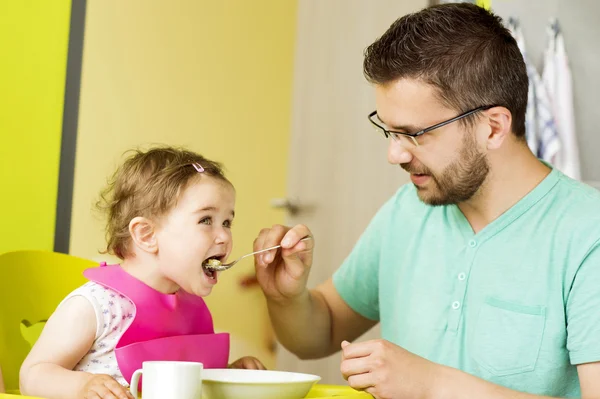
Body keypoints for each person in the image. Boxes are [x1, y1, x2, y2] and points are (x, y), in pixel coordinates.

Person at [253, 3, 600, 399]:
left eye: (415, 134)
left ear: (493, 127)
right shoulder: (408, 210)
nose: (395, 155)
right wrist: (286, 297)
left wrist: (432, 385)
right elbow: (323, 331)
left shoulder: (588, 236)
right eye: (389, 132)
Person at [20, 146, 265, 399]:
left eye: (227, 222)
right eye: (206, 220)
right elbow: (32, 375)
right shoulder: (96, 306)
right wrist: (81, 386)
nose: (225, 236)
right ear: (147, 235)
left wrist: (228, 375)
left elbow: (185, 385)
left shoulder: (193, 308)